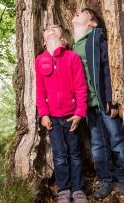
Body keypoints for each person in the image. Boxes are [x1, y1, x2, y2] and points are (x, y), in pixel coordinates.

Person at [72, 8, 124, 198]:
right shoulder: (73, 48)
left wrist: (111, 99)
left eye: (82, 12)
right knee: (98, 144)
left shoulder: (97, 41)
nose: (76, 12)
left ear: (92, 23)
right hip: (88, 105)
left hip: (104, 102)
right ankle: (106, 178)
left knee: (117, 139)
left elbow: (109, 71)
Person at [36, 24, 89, 203]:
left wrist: (80, 112)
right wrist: (43, 114)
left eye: (55, 27)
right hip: (52, 118)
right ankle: (64, 190)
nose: (50, 28)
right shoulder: (40, 60)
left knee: (74, 152)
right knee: (59, 155)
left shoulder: (71, 57)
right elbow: (40, 90)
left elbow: (81, 86)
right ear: (44, 42)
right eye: (47, 29)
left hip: (71, 116)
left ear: (64, 40)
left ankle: (78, 189)